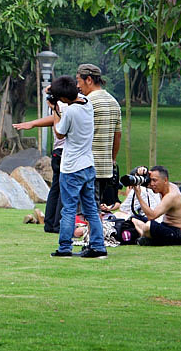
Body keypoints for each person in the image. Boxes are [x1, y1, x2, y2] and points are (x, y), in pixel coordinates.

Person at [48, 75, 107, 259]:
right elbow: (69, 94)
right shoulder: (87, 103)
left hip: (71, 167)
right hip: (88, 165)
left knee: (69, 209)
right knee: (91, 209)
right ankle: (98, 246)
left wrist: (56, 111)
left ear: (63, 99)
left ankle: (65, 248)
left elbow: (59, 134)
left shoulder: (70, 112)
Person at [77, 64, 122, 211]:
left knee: (89, 210)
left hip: (87, 165)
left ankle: (94, 234)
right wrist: (112, 160)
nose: (78, 86)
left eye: (79, 81)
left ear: (88, 79)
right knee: (96, 207)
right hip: (105, 168)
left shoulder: (88, 103)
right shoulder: (114, 102)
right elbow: (117, 136)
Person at [129, 166, 181, 246]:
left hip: (179, 234)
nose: (152, 184)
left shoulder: (171, 196)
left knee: (149, 225)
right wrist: (142, 171)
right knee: (134, 218)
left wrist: (138, 195)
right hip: (166, 226)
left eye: (154, 180)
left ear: (165, 180)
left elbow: (151, 216)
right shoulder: (165, 186)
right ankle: (147, 237)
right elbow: (134, 176)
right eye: (150, 180)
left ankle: (146, 237)